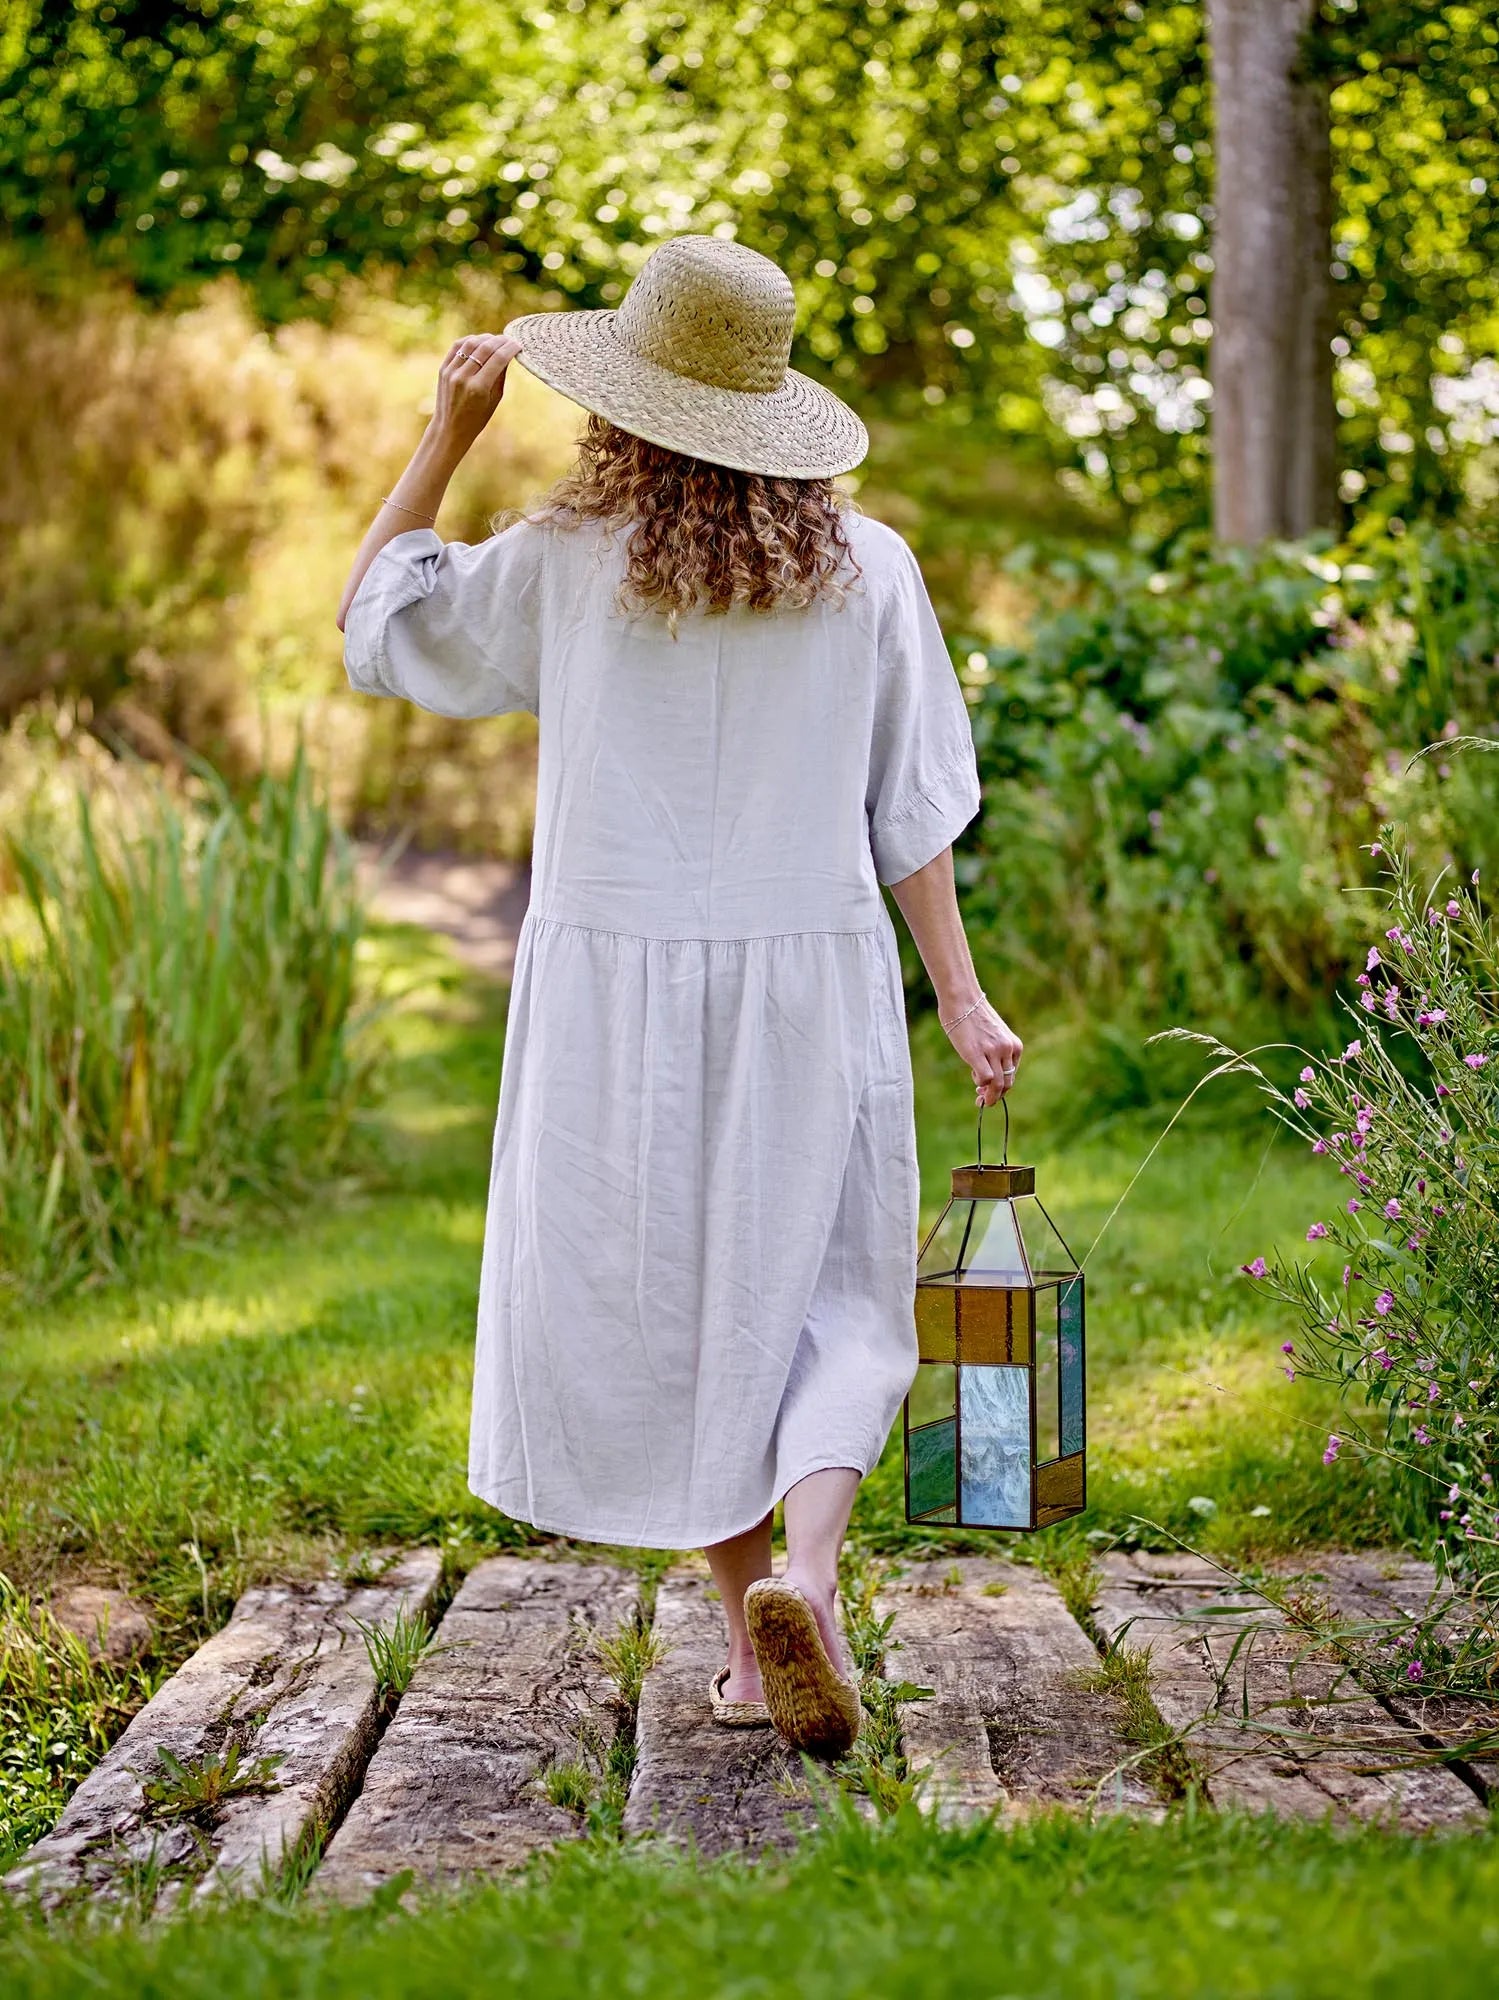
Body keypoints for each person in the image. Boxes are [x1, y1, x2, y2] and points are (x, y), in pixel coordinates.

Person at [338, 236, 1022, 1758]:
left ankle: (738, 1635)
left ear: (624, 406)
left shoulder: (564, 562)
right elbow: (911, 813)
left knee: (668, 1311)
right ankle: (813, 1578)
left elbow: (381, 628)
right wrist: (962, 1001)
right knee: (840, 1291)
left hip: (612, 995)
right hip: (814, 978)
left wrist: (443, 436)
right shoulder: (873, 572)